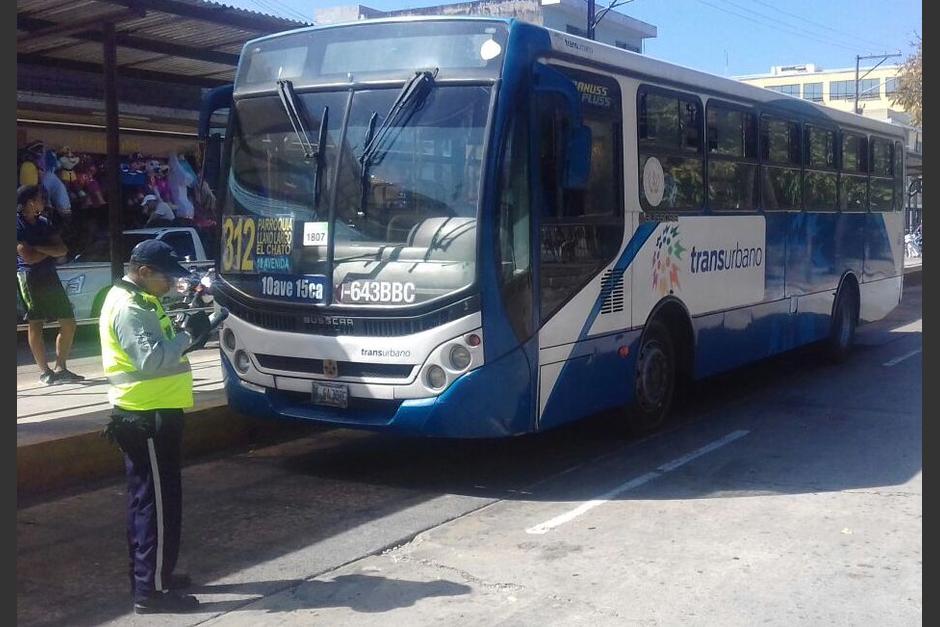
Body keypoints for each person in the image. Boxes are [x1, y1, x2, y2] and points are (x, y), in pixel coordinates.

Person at [99, 239, 211, 614]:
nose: (170, 284)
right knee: (159, 506)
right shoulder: (130, 307)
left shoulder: (141, 299)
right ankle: (153, 590)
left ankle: (152, 574)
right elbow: (152, 359)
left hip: (149, 411)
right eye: (166, 277)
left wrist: (184, 333)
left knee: (146, 501)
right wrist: (190, 335)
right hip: (147, 414)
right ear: (144, 272)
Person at [16, 185, 84, 385]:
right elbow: (28, 258)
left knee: (68, 321)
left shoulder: (44, 222)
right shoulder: (16, 225)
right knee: (35, 322)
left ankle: (61, 367)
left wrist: (39, 249)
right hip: (28, 277)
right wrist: (49, 250)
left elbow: (62, 249)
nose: (43, 201)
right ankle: (45, 371)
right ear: (30, 202)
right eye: (40, 198)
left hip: (49, 275)